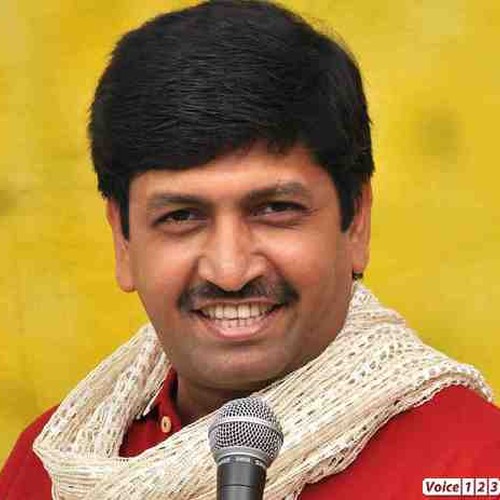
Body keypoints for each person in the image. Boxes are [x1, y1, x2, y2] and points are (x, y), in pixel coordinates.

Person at [1, 1, 500, 498]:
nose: (230, 270)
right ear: (124, 240)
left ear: (357, 223)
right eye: (182, 216)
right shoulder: (50, 468)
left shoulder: (471, 462)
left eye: (275, 209)